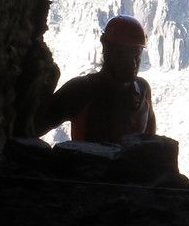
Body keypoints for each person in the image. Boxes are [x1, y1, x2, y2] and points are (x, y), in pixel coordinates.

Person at [35, 14, 157, 142]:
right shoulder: (80, 91)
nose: (133, 63)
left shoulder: (143, 90)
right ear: (107, 50)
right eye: (124, 55)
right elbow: (34, 127)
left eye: (137, 55)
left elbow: (149, 143)